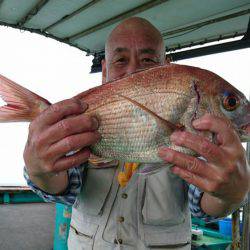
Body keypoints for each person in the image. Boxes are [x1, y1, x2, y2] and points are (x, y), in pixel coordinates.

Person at [24, 17, 250, 249]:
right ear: (104, 72)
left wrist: (230, 195)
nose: (133, 70)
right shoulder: (80, 123)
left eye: (149, 60)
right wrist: (40, 171)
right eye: (121, 60)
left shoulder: (200, 133)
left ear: (168, 68)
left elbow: (202, 204)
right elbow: (66, 187)